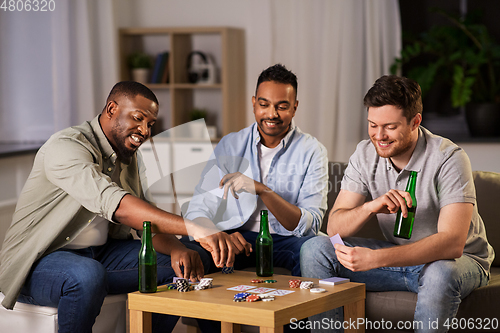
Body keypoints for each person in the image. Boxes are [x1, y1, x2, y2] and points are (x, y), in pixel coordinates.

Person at [0, 81, 247, 333]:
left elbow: (146, 219)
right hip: (40, 263)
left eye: (150, 124)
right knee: (87, 275)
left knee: (193, 260)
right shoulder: (65, 147)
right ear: (111, 109)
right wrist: (196, 228)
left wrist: (177, 248)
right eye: (138, 118)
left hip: (102, 254)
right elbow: (120, 206)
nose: (145, 130)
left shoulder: (128, 155)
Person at [300, 75, 494, 332]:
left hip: (458, 262)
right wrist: (370, 207)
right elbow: (335, 226)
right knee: (315, 248)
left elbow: (452, 243)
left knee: (438, 275)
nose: (379, 136)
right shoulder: (364, 154)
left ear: (415, 121)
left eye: (390, 127)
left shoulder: (449, 159)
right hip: (400, 258)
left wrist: (377, 259)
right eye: (372, 125)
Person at [184, 64, 328, 276]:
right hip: (237, 237)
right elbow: (198, 207)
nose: (272, 114)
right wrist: (216, 234)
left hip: (287, 241)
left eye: (282, 106)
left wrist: (262, 190)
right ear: (254, 104)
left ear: (295, 107)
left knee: (316, 250)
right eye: (264, 104)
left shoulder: (313, 151)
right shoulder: (230, 145)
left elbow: (310, 225)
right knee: (186, 250)